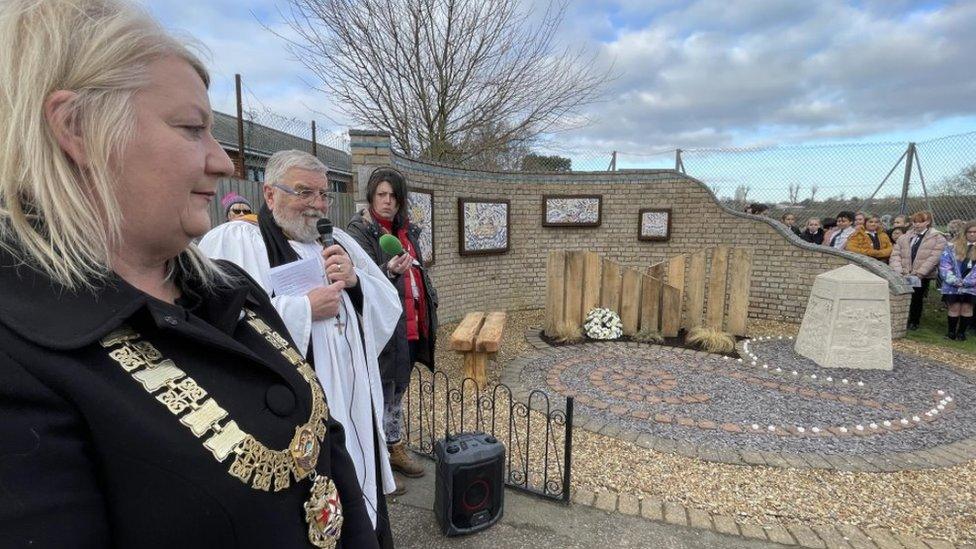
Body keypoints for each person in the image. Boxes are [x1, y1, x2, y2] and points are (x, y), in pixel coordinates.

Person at [0, 1, 377, 547]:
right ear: (77, 128)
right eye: (191, 128)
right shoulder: (20, 366)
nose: (223, 162)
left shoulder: (230, 287)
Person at [198, 149, 399, 547]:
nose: (318, 205)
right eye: (304, 192)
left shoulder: (337, 239)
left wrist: (356, 282)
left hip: (351, 397)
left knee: (358, 487)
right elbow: (219, 322)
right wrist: (303, 309)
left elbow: (386, 303)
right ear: (270, 194)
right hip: (291, 412)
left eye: (323, 194)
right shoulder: (237, 240)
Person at [346, 167, 438, 494]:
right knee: (378, 392)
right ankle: (378, 461)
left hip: (411, 325)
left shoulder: (406, 231)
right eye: (382, 195)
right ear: (371, 196)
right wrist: (387, 269)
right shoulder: (360, 232)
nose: (388, 202)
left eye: (393, 196)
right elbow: (358, 279)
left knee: (397, 391)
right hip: (382, 329)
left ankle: (394, 447)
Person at [890, 211, 947, 331]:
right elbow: (896, 254)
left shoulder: (938, 238)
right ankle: (899, 320)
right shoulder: (904, 237)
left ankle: (914, 321)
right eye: (915, 222)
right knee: (901, 296)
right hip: (904, 273)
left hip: (921, 276)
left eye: (921, 222)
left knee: (916, 299)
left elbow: (934, 257)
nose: (917, 224)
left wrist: (919, 273)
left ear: (928, 222)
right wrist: (899, 271)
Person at [938, 221, 976, 340]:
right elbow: (945, 264)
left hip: (972, 286)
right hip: (952, 285)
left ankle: (961, 333)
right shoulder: (951, 247)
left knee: (967, 308)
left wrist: (968, 282)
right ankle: (951, 332)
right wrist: (953, 280)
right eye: (970, 232)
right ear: (964, 233)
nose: (972, 234)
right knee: (954, 307)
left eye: (975, 232)